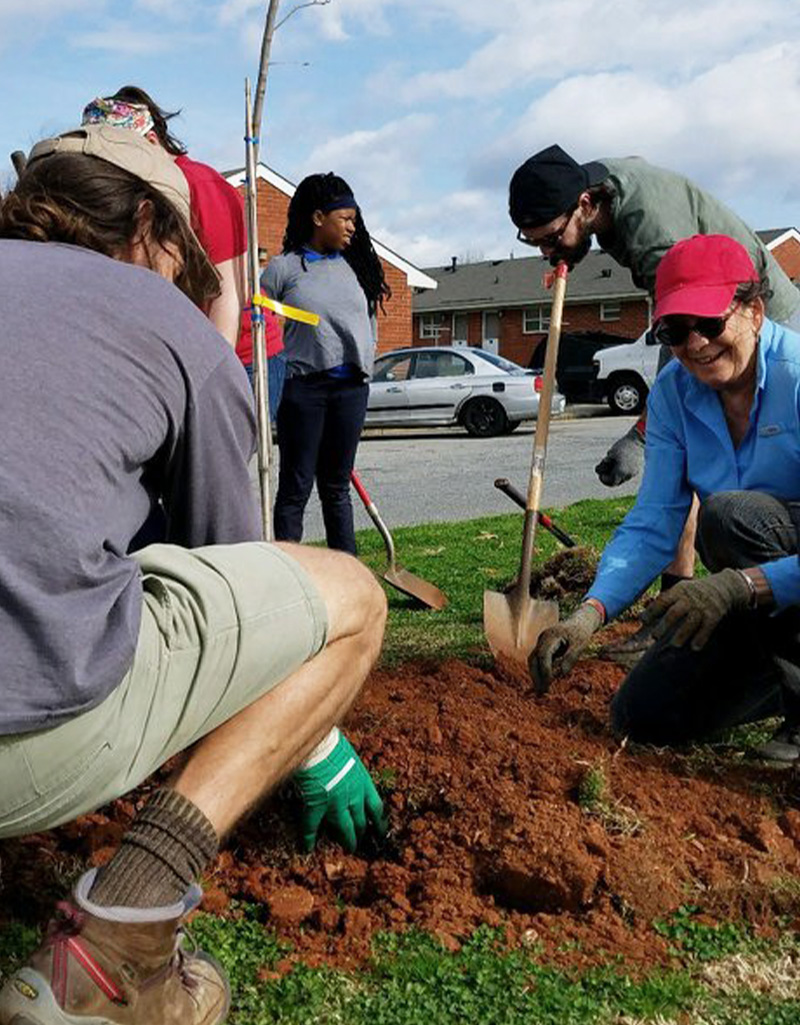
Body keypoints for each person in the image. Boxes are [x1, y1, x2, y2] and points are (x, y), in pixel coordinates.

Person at [0, 124, 387, 1025]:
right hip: (26, 753)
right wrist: (317, 741)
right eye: (180, 258)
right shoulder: (167, 319)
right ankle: (115, 948)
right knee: (350, 598)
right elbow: (241, 571)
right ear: (148, 226)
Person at [530, 234, 800, 766]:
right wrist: (590, 613)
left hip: (764, 576)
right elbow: (654, 518)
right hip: (766, 604)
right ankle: (778, 674)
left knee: (728, 517)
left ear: (753, 311)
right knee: (644, 714)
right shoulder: (676, 391)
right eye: (675, 330)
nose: (695, 343)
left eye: (710, 322)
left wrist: (743, 584)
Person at [509, 145, 800, 586]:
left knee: (732, 497)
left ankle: (702, 591)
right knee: (701, 471)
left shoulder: (652, 234)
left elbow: (686, 341)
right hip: (722, 316)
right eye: (536, 243)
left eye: (552, 238)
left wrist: (641, 435)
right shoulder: (601, 189)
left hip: (755, 315)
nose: (550, 252)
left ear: (585, 205)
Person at [267, 172, 391, 553]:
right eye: (346, 218)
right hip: (303, 391)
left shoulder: (358, 266)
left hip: (351, 390)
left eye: (355, 219)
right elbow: (259, 323)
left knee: (336, 487)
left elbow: (367, 324)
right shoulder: (283, 268)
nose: (353, 226)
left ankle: (348, 570)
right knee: (296, 486)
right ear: (318, 217)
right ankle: (287, 575)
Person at [82, 86, 248, 351]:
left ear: (150, 142)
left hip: (233, 349)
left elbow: (227, 293)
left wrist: (216, 371)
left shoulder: (200, 185)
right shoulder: (127, 192)